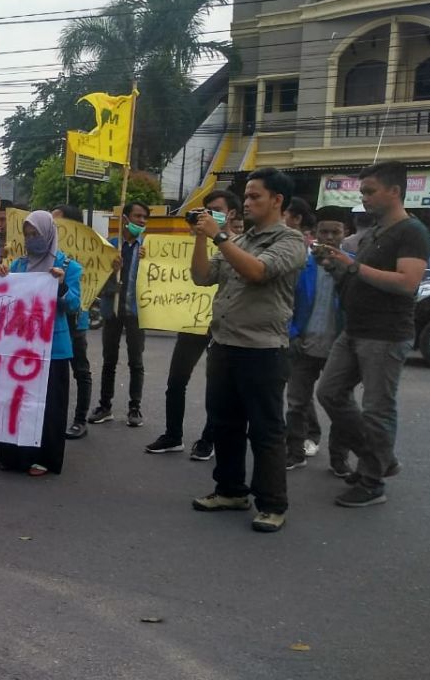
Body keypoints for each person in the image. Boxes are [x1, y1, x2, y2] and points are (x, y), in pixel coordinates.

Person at [189, 168, 306, 533]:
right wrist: (200, 238)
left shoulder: (290, 241)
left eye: (255, 196)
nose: (248, 202)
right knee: (224, 423)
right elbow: (201, 277)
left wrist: (219, 236)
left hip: (262, 350)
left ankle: (272, 503)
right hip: (224, 345)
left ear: (277, 200)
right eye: (248, 196)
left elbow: (258, 272)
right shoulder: (237, 241)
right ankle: (230, 490)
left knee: (266, 429)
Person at [316, 162, 430, 507]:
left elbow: (407, 283)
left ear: (394, 191)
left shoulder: (411, 231)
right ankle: (378, 457)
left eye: (369, 191)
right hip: (354, 329)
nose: (363, 198)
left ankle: (372, 481)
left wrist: (352, 265)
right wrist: (337, 265)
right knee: (330, 393)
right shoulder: (375, 231)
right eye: (362, 191)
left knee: (378, 408)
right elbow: (359, 276)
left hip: (385, 334)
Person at [144, 190, 241, 457]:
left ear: (231, 214)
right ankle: (173, 435)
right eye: (205, 209)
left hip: (219, 325)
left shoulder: (238, 245)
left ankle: (209, 439)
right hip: (190, 320)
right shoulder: (191, 241)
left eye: (215, 210)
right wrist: (146, 256)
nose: (207, 215)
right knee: (176, 380)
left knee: (216, 387)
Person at [0, 210, 80, 476]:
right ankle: (14, 454)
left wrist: (62, 286)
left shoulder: (68, 267)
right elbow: (4, 298)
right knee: (18, 400)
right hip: (21, 346)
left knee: (49, 405)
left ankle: (45, 457)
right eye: (28, 235)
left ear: (50, 234)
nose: (32, 240)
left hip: (53, 348)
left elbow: (74, 304)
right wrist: (0, 275)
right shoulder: (19, 266)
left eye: (37, 234)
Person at [283, 213, 347, 469]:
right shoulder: (302, 266)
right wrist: (293, 333)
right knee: (296, 402)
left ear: (345, 234)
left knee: (340, 404)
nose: (329, 237)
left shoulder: (351, 268)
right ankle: (295, 452)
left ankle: (339, 459)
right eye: (324, 232)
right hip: (304, 344)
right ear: (315, 235)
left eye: (335, 232)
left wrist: (340, 269)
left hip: (338, 348)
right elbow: (287, 302)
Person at [89, 200, 149, 427]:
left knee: (136, 361)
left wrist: (149, 261)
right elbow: (95, 281)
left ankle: (135, 409)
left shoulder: (149, 248)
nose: (141, 221)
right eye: (137, 216)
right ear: (125, 219)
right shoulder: (110, 247)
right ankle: (105, 406)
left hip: (137, 312)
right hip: (111, 311)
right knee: (109, 361)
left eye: (145, 217)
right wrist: (110, 270)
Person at [51, 204, 93, 439]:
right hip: (51, 321)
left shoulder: (82, 257)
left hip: (74, 320)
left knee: (80, 370)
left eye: (57, 221)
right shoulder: (47, 253)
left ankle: (80, 420)